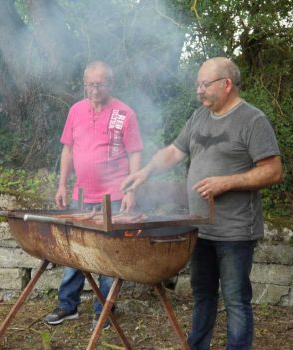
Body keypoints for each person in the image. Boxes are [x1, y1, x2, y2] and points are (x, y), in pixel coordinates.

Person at [121, 57, 283, 349]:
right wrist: (144, 172)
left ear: (227, 84)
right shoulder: (199, 117)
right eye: (197, 84)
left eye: (204, 84)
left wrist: (227, 182)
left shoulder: (252, 120)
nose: (199, 90)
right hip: (200, 227)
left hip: (235, 231)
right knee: (203, 293)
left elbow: (273, 170)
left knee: (235, 299)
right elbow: (173, 151)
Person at [44, 61, 143, 330]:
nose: (93, 89)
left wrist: (131, 190)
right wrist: (62, 185)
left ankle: (104, 310)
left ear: (110, 83)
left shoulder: (125, 113)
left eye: (99, 84)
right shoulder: (75, 110)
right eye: (89, 84)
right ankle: (68, 305)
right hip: (81, 195)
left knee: (107, 255)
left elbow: (135, 153)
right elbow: (67, 150)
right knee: (74, 250)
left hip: (113, 197)